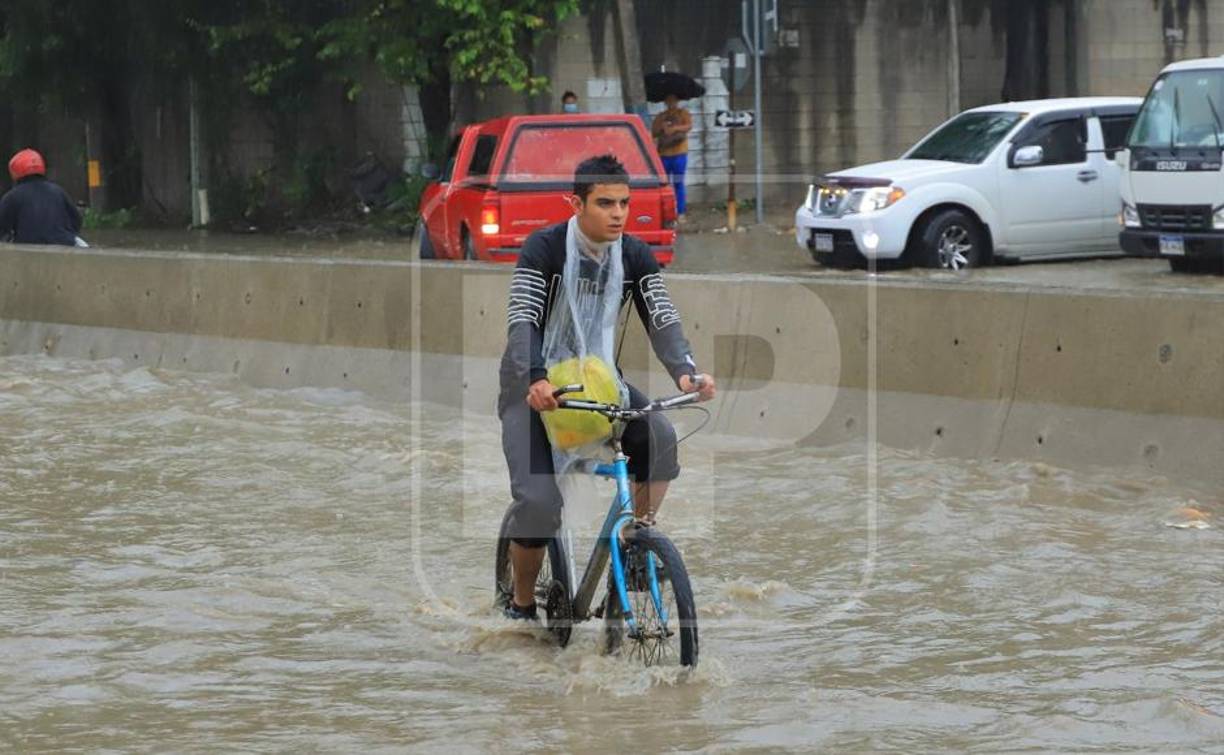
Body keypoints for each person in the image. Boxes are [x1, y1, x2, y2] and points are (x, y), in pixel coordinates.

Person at [498, 153, 716, 621]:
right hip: (531, 389)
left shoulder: (635, 254)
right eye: (604, 203)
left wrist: (686, 370)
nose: (618, 213)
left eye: (624, 203)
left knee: (660, 438)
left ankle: (637, 542)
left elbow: (662, 316)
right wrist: (534, 378)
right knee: (537, 503)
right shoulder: (544, 249)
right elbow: (523, 320)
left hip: (598, 388)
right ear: (575, 203)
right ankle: (519, 604)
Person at [0, 149, 83, 246]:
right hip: (64, 246)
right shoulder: (58, 191)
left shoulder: (11, 197)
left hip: (27, 251)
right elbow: (76, 221)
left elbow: (2, 227)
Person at [651, 94, 693, 221]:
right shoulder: (661, 116)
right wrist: (662, 127)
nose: (671, 103)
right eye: (668, 100)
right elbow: (654, 131)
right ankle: (665, 213)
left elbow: (688, 126)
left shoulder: (683, 114)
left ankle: (680, 212)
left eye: (673, 100)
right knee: (664, 184)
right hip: (664, 154)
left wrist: (674, 128)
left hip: (679, 153)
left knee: (679, 183)